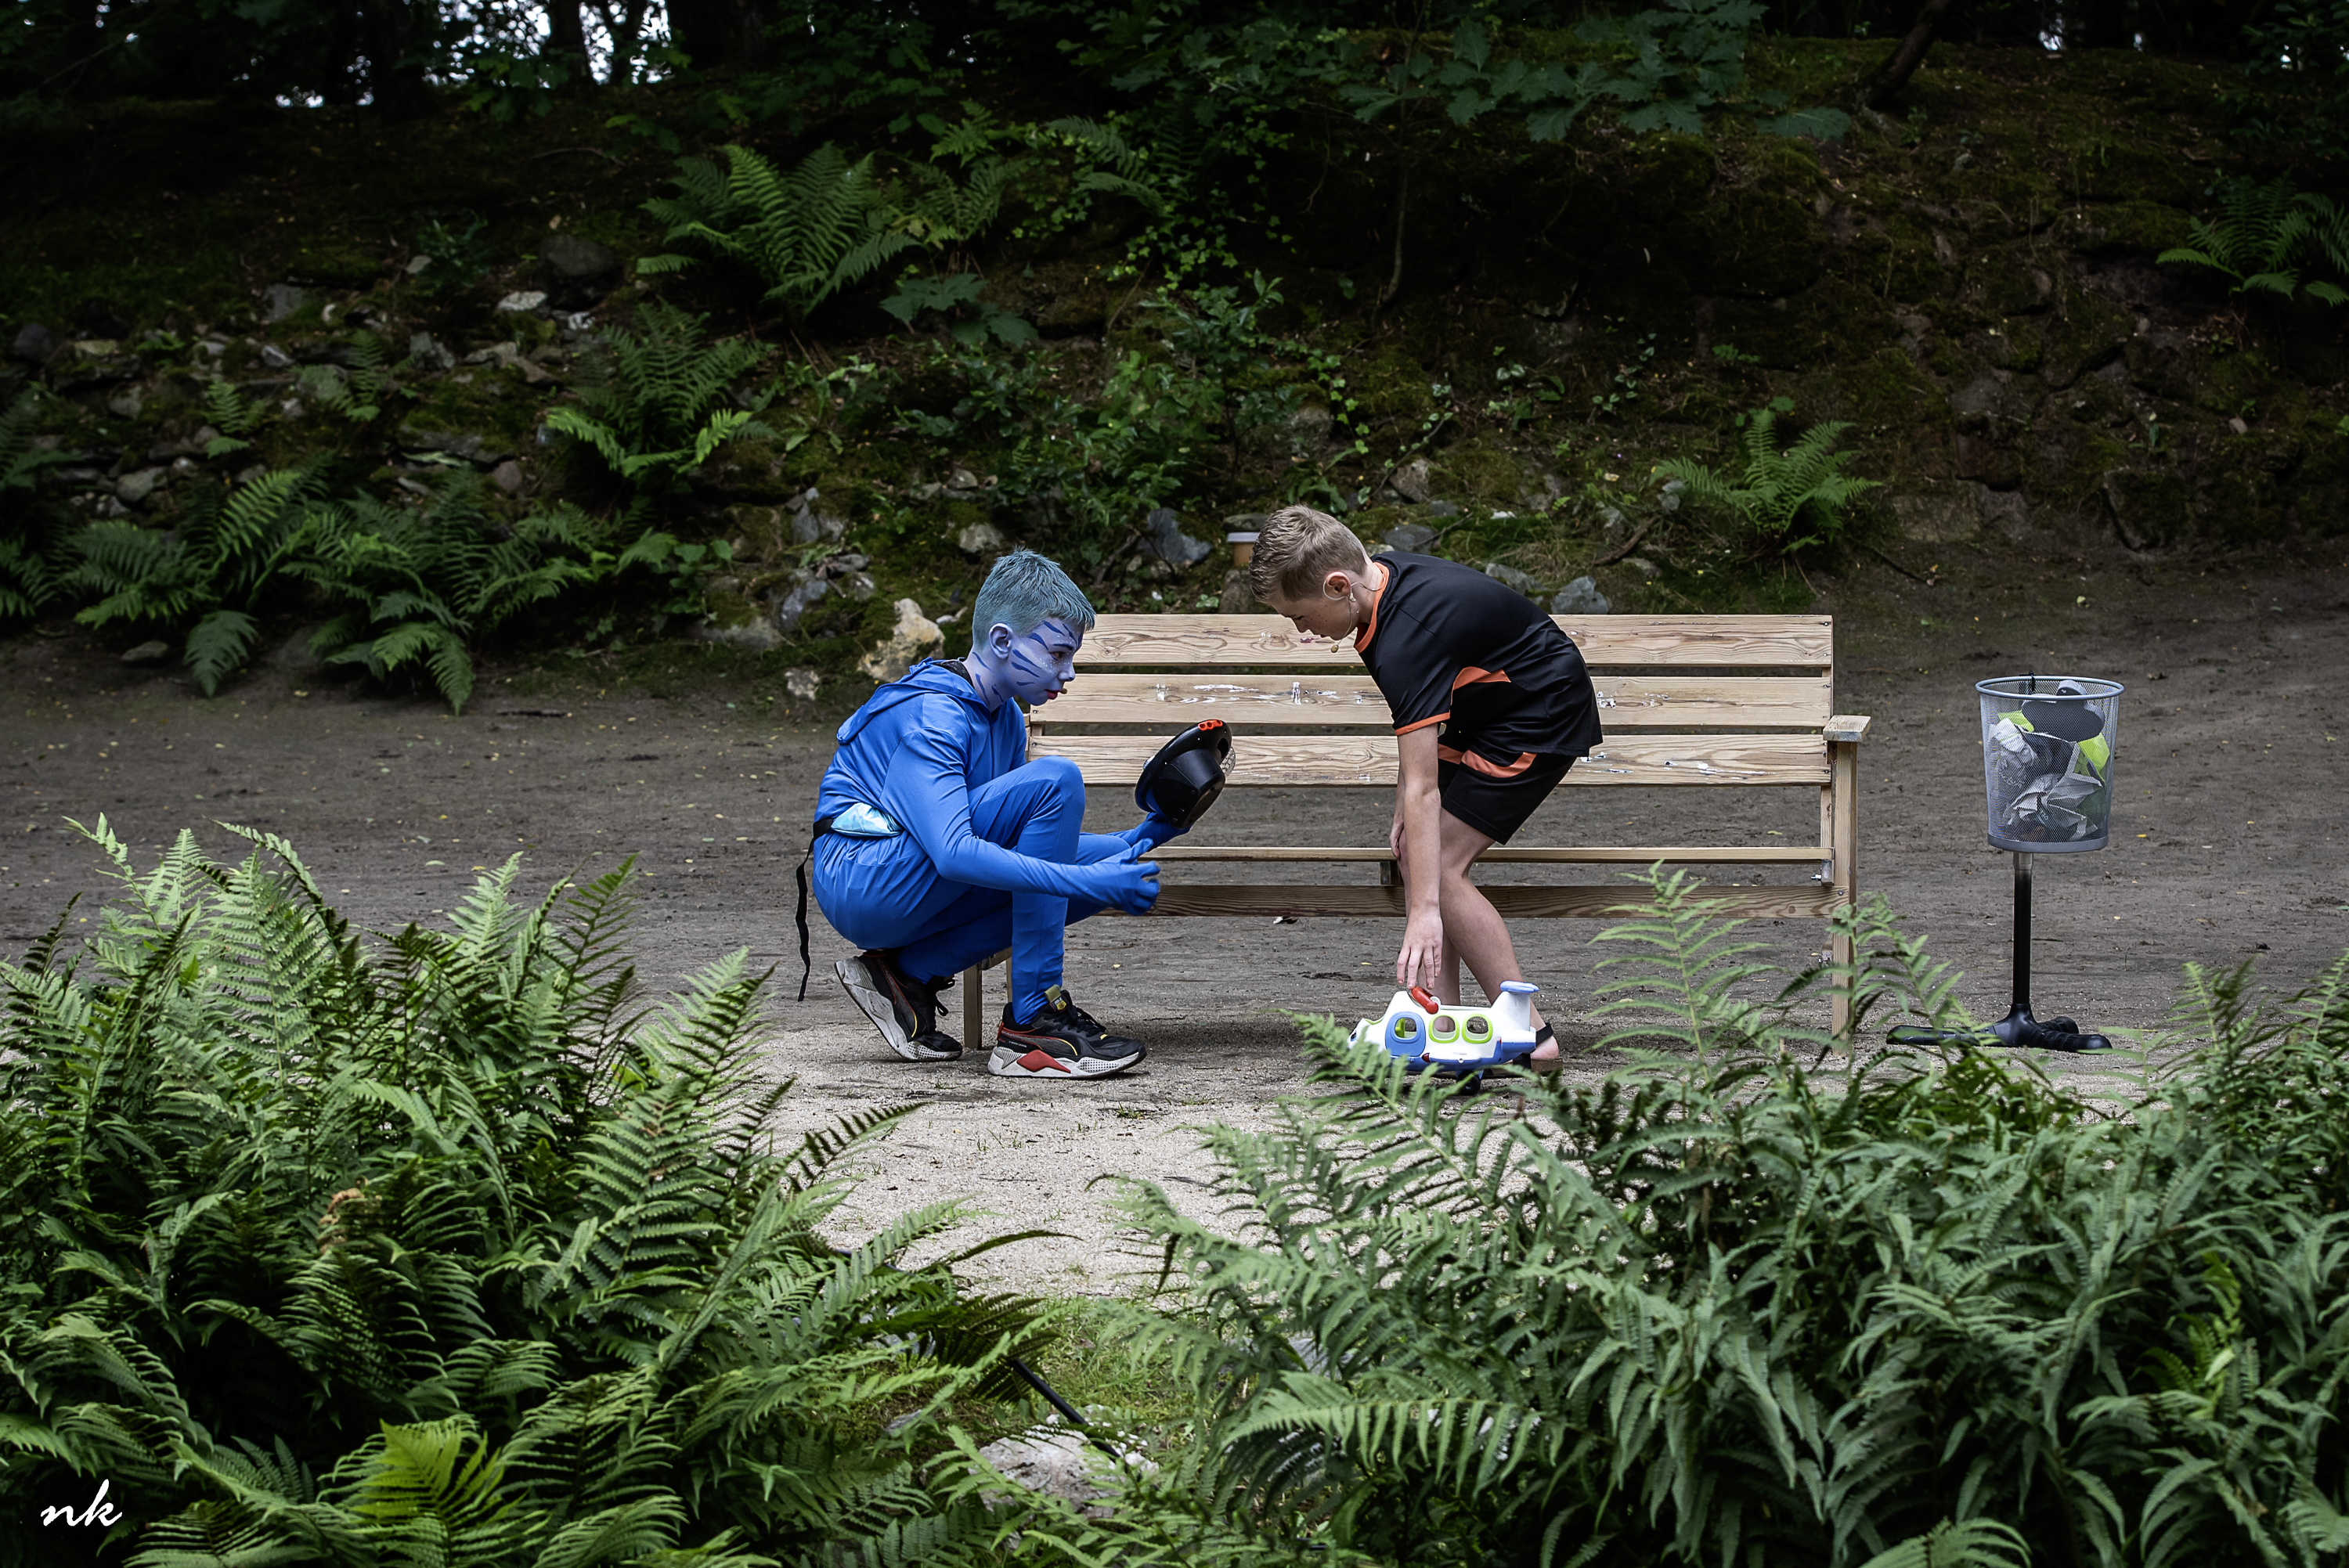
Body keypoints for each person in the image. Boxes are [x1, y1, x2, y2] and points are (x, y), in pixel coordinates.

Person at [806, 550, 1182, 1079]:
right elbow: (955, 853)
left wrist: (1149, 834)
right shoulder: (935, 716)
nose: (1070, 672)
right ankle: (1033, 1022)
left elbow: (1020, 849)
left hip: (909, 877)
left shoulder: (1003, 716)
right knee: (1057, 780)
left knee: (1095, 870)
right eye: (1057, 653)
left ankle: (902, 977)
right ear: (1003, 641)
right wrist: (1082, 877)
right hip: (862, 879)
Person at [1250, 506, 1602, 1064]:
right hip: (1485, 707)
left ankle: (1533, 1038)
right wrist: (1404, 812)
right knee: (1418, 849)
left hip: (1539, 709)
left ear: (1338, 586)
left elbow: (1424, 787)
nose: (1301, 630)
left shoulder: (1404, 637)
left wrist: (1423, 913)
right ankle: (1443, 1025)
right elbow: (1417, 733)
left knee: (1437, 866)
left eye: (1298, 615)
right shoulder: (1379, 586)